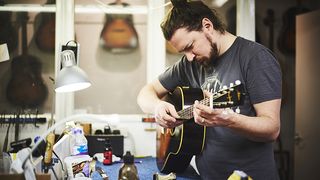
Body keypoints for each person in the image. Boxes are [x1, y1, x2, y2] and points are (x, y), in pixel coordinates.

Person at [137, 0, 282, 179]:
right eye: (183, 52)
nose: (189, 57)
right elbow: (146, 93)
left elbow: (272, 129)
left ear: (207, 26)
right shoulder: (189, 65)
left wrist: (229, 120)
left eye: (190, 47)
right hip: (206, 175)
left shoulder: (255, 58)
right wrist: (157, 107)